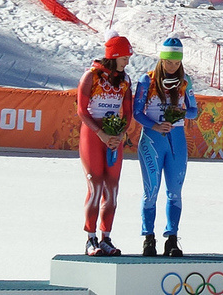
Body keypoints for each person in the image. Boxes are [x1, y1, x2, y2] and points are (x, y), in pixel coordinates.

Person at [133, 37, 198, 257]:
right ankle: (148, 238)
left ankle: (172, 238)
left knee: (175, 192)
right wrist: (156, 125)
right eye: (168, 62)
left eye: (176, 62)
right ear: (161, 60)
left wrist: (180, 113)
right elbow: (137, 112)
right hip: (152, 140)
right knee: (150, 191)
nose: (172, 66)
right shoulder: (147, 80)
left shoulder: (185, 81)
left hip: (177, 140)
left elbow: (194, 111)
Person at [77, 29, 133, 256]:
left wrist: (120, 134)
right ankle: (90, 239)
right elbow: (81, 111)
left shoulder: (125, 80)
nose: (126, 62)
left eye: (128, 59)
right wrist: (101, 133)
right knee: (96, 185)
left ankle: (106, 237)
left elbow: (127, 113)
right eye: (124, 58)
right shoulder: (91, 76)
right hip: (93, 135)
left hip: (114, 136)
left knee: (112, 189)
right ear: (113, 56)